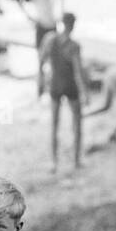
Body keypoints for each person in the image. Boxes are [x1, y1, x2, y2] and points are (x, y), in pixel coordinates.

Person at [38, 13, 87, 173]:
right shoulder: (74, 46)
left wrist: (40, 82)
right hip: (69, 85)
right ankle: (76, 161)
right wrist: (85, 92)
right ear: (73, 25)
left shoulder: (50, 39)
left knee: (55, 125)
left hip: (55, 85)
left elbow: (41, 60)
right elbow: (79, 71)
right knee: (77, 124)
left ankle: (54, 162)